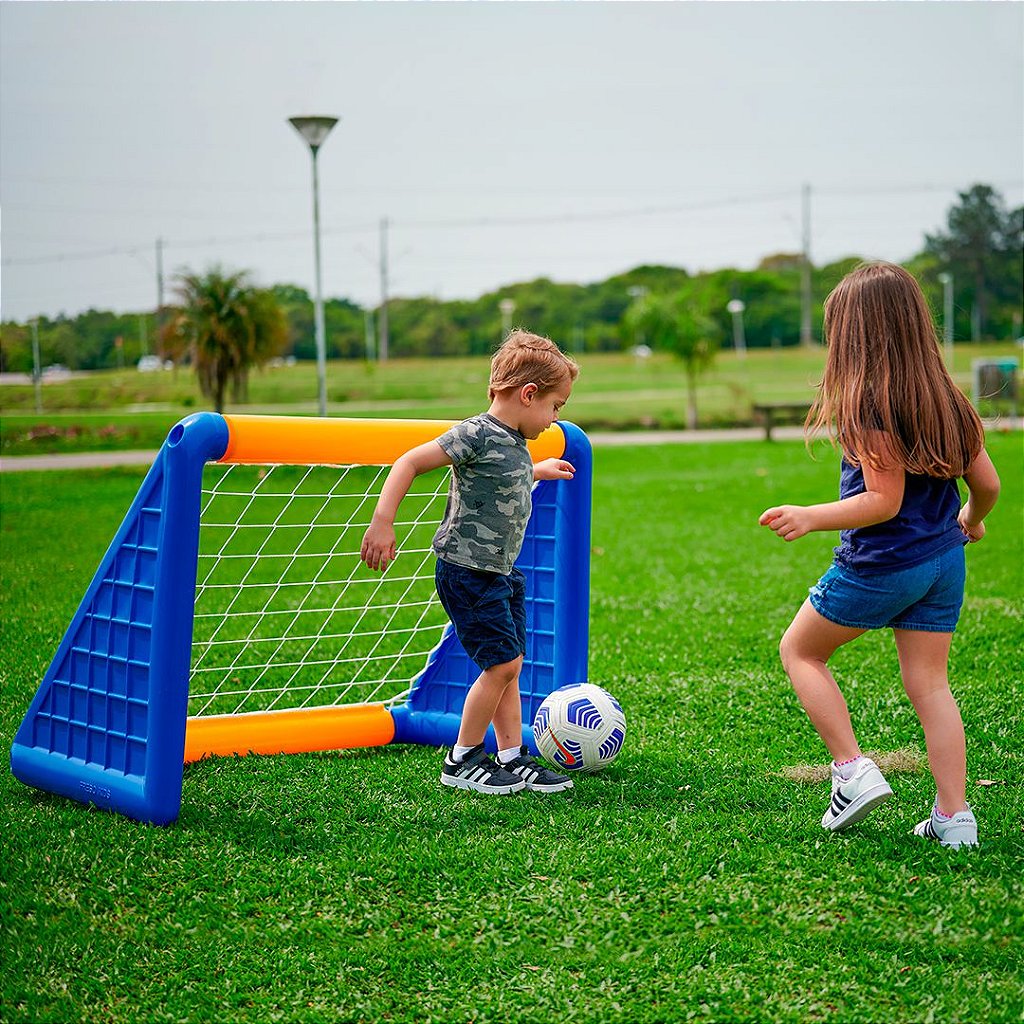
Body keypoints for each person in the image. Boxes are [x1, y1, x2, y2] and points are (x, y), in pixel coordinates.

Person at [759, 262, 1000, 849]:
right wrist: (971, 519)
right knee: (930, 684)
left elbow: (882, 501)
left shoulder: (870, 404)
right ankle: (954, 817)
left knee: (800, 651)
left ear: (855, 337)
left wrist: (811, 516)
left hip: (884, 566)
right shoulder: (949, 400)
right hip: (945, 562)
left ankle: (851, 769)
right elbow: (988, 485)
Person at [361, 329, 580, 795]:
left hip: (501, 570)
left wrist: (536, 470)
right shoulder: (475, 432)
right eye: (556, 406)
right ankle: (461, 759)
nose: (556, 417)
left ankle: (511, 756)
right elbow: (409, 463)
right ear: (528, 394)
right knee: (500, 665)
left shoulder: (515, 441)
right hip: (467, 570)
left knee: (511, 663)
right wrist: (383, 521)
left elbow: (503, 475)